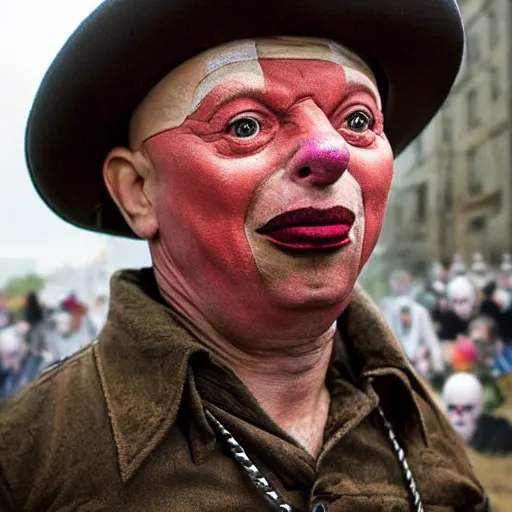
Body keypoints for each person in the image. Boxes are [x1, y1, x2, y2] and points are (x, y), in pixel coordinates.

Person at [0, 1, 487, 510]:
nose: (328, 154)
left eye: (358, 119)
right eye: (245, 126)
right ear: (139, 190)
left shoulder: (424, 426)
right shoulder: (28, 462)